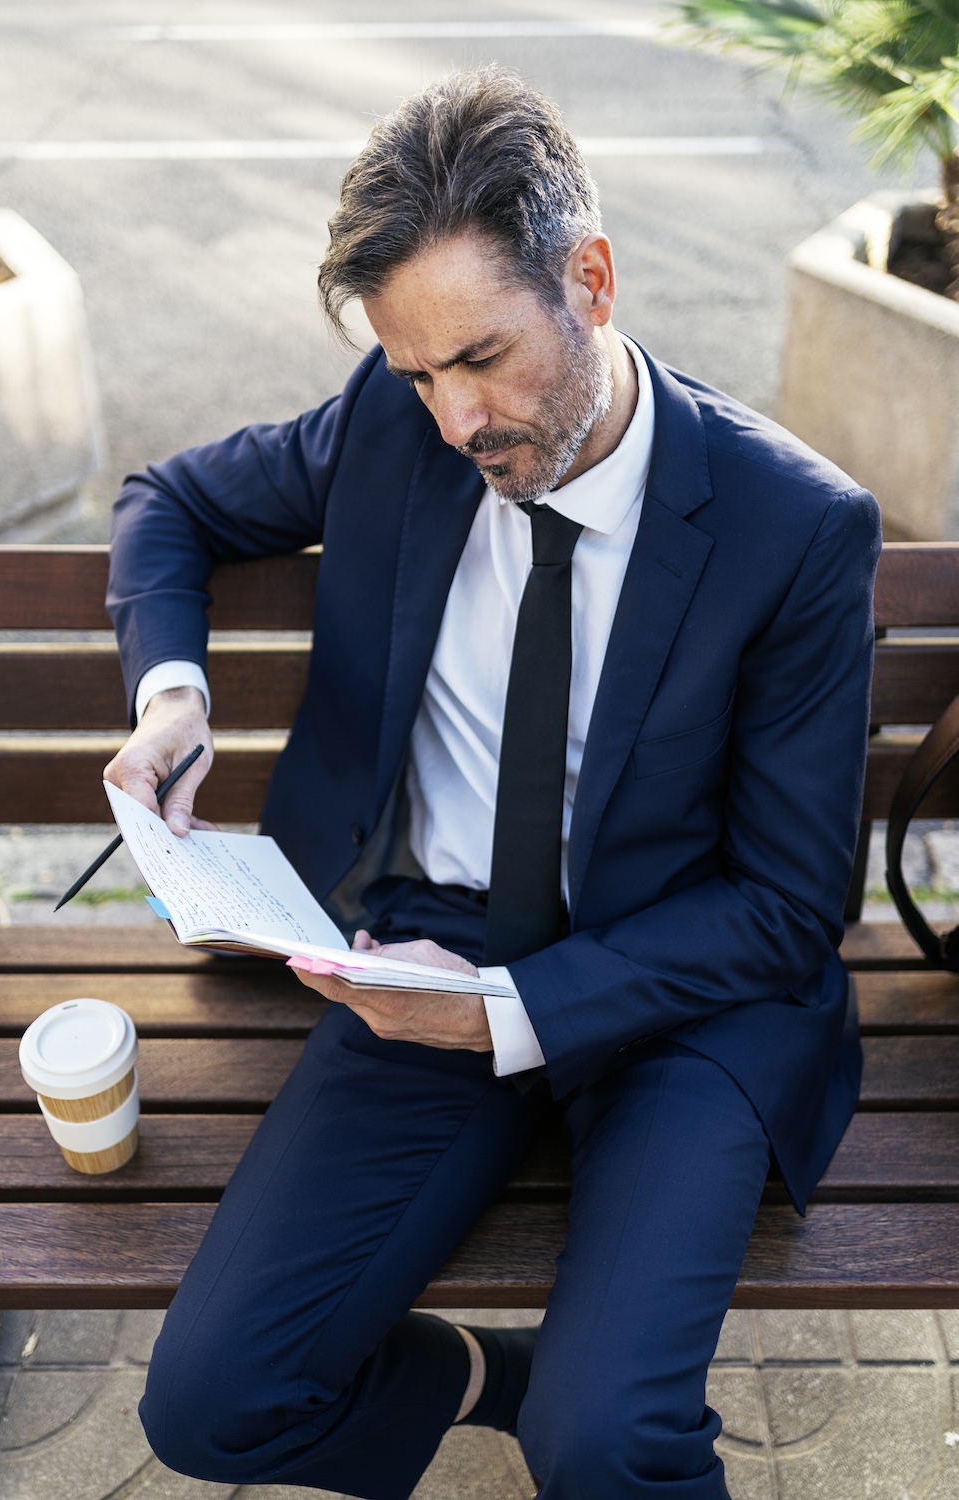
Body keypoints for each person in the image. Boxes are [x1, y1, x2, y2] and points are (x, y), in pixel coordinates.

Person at [104, 66, 879, 1500]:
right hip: (420, 950)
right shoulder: (397, 424)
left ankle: (566, 1405)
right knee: (210, 1408)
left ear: (590, 279)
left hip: (677, 997)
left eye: (481, 356)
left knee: (607, 1444)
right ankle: (476, 1378)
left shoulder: (793, 529)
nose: (457, 419)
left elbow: (784, 908)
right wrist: (172, 701)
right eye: (417, 371)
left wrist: (507, 1018)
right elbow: (172, 501)